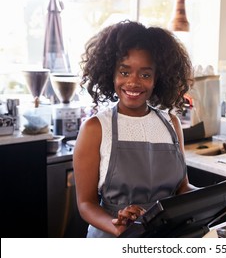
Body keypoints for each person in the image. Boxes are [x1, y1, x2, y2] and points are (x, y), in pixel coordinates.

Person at [73, 20, 196, 238]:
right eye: (124, 72)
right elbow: (86, 203)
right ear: (111, 74)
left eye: (145, 74)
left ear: (158, 79)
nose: (133, 82)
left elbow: (182, 189)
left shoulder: (171, 124)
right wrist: (115, 224)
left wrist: (215, 198)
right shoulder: (95, 129)